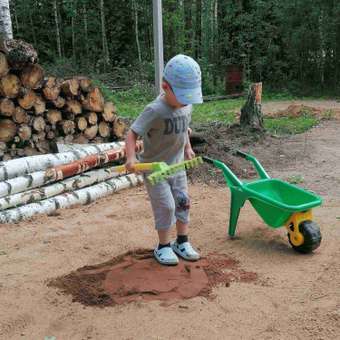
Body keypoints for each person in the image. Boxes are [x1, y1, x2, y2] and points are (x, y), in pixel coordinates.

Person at [125, 54, 203, 265]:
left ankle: (182, 242)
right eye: (183, 96)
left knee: (183, 203)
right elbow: (132, 133)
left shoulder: (186, 106)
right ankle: (163, 246)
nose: (186, 101)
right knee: (166, 207)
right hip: (154, 168)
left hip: (177, 166)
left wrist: (187, 147)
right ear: (165, 87)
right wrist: (131, 158)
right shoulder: (155, 110)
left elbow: (184, 129)